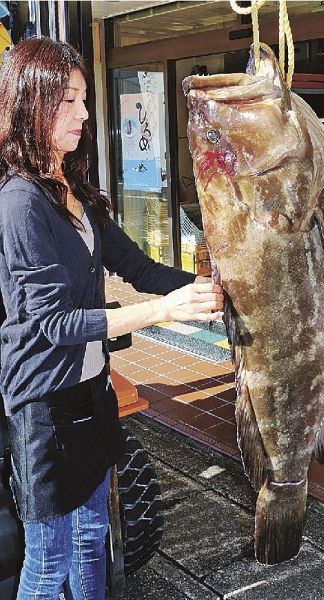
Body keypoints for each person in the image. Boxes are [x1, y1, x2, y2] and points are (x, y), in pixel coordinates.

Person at [0, 37, 223, 599]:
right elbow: (53, 323)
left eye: (82, 99)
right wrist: (164, 312)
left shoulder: (72, 189)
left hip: (91, 396)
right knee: (48, 560)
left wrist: (205, 288)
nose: (83, 113)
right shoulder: (20, 202)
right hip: (45, 407)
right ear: (32, 104)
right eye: (67, 101)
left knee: (94, 534)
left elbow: (137, 266)